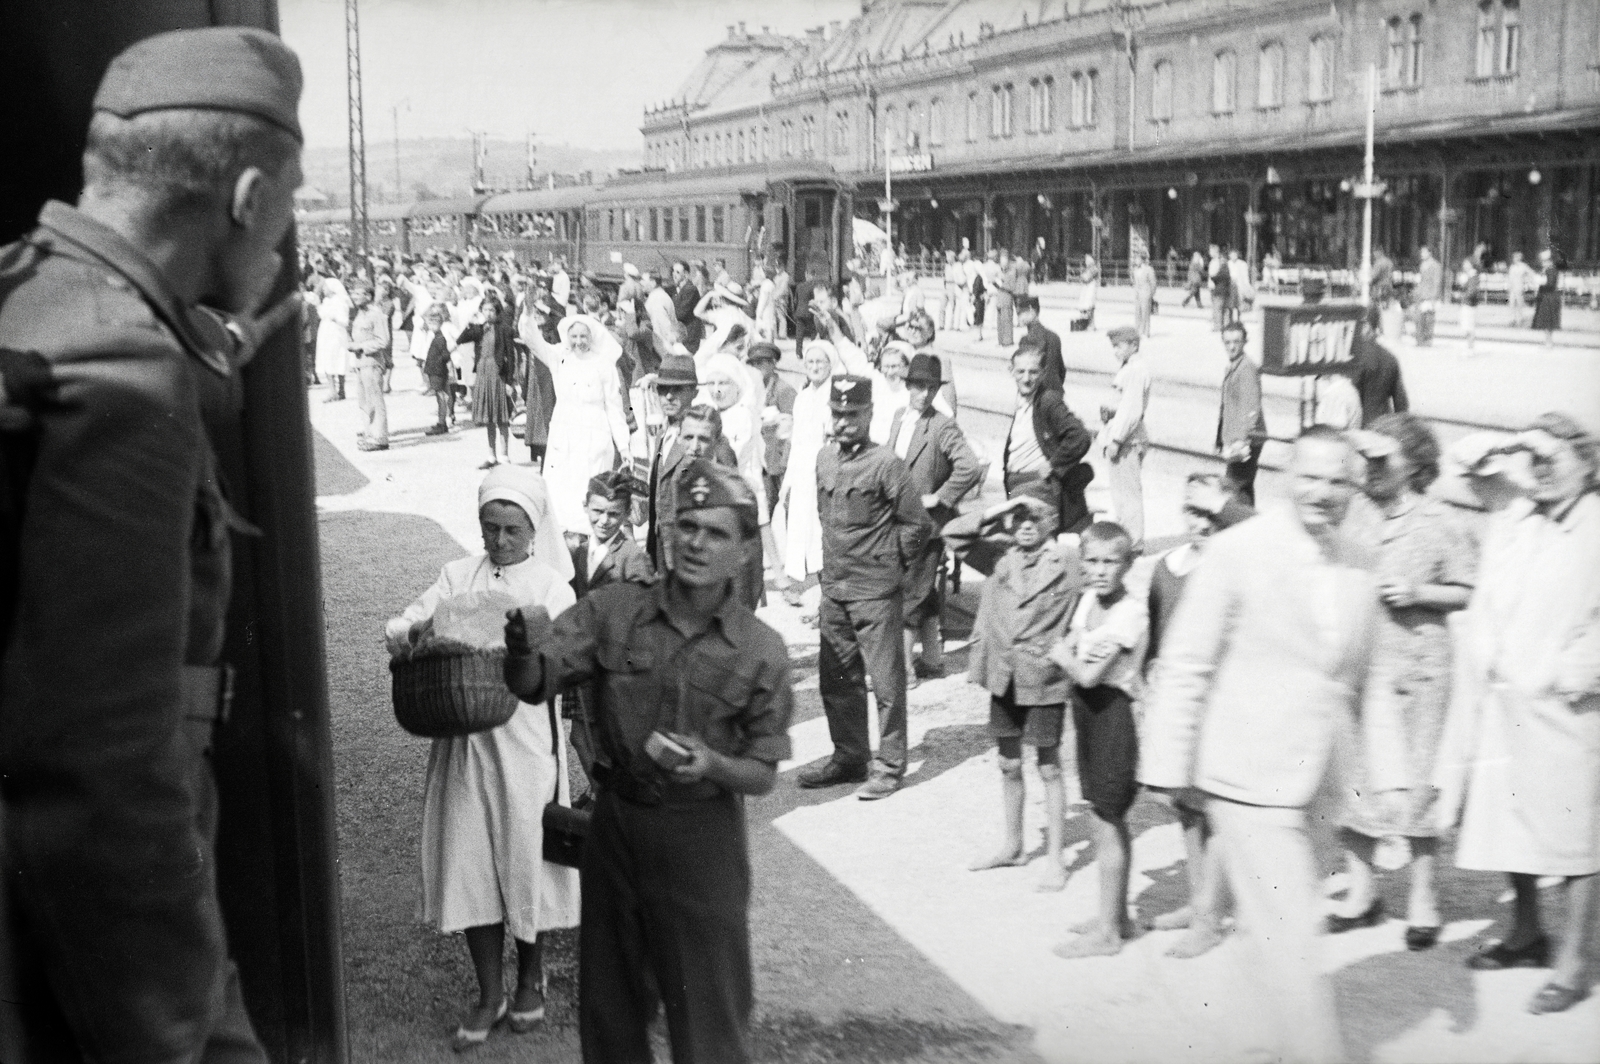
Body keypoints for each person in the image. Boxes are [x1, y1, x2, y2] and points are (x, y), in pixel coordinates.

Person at [0, 26, 305, 1061]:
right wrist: (186, 1028)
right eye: (290, 203)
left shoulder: (36, 288)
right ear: (251, 196)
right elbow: (101, 770)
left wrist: (213, 343)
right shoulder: (128, 377)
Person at [503, 460, 793, 1064]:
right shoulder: (613, 609)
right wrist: (519, 651)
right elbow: (536, 682)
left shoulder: (761, 648)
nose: (695, 542)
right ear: (668, 531)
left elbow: (763, 772)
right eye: (687, 525)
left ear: (744, 552)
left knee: (709, 1014)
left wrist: (712, 763)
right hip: (617, 828)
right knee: (609, 1011)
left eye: (716, 533)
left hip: (700, 838)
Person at [1140, 428, 1409, 1064]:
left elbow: (1374, 681)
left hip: (1321, 779)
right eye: (1311, 477)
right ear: (1288, 477)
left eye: (1339, 480)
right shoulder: (1238, 551)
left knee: (1271, 925)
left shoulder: (1362, 561)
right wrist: (1165, 765)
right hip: (1245, 775)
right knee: (1291, 930)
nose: (1323, 492)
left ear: (1354, 487)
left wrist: (1392, 779)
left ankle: (1247, 1044)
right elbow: (1185, 662)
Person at [383, 468, 580, 1050]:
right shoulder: (456, 575)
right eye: (489, 528)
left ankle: (531, 978)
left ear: (534, 528)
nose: (498, 541)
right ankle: (488, 989)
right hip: (463, 739)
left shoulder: (552, 587)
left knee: (526, 856)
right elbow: (407, 623)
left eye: (511, 530)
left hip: (522, 741)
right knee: (469, 859)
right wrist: (411, 630)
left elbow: (557, 662)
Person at [1451, 413, 1600, 1015]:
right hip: (1507, 702)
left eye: (1552, 460)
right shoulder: (1520, 517)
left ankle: (1573, 961)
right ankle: (1526, 934)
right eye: (1531, 461)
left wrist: (1574, 674)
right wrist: (1519, 445)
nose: (1538, 470)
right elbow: (1462, 462)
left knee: (1572, 840)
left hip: (1570, 706)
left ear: (1588, 465)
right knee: (1512, 828)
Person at [1328, 416, 1474, 951]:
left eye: (1381, 460)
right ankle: (1362, 895)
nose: (1370, 470)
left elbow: (1465, 590)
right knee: (1358, 779)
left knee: (1418, 781)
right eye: (1366, 461)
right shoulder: (1359, 519)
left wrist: (1417, 592)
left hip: (1420, 668)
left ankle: (1423, 900)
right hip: (1366, 663)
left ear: (1412, 464)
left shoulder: (1440, 521)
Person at [797, 376, 933, 801]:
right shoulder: (824, 459)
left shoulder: (886, 464)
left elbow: (915, 525)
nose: (843, 422)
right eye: (837, 414)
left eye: (852, 414)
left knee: (886, 682)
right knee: (837, 679)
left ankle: (890, 765)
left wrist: (888, 568)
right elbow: (825, 516)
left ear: (869, 413)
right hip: (834, 588)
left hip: (874, 591)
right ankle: (850, 756)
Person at [1141, 475, 1255, 959]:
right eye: (1193, 513)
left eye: (1212, 515)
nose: (1201, 524)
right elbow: (1156, 628)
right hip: (1178, 698)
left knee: (1219, 808)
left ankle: (1213, 916)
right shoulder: (1167, 567)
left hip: (1223, 701)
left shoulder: (1238, 567)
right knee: (1186, 807)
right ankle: (1198, 901)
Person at [966, 498, 1080, 892]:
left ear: (1052, 522)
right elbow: (954, 534)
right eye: (1019, 519)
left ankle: (1055, 859)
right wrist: (1009, 503)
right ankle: (1012, 846)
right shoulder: (1002, 558)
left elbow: (1103, 587)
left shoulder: (1067, 561)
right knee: (1008, 763)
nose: (1026, 525)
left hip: (1042, 676)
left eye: (1036, 517)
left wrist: (1071, 646)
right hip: (1005, 674)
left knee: (1048, 767)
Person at [1050, 521, 1148, 958]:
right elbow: (1073, 646)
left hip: (1112, 716)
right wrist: (1070, 654)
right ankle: (1118, 917)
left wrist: (1063, 656)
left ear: (1128, 564)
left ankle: (1107, 933)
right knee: (1100, 815)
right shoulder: (1088, 599)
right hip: (1086, 714)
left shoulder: (1130, 612)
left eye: (1112, 562)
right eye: (1092, 561)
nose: (1100, 571)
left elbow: (1087, 673)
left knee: (1108, 821)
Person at [942, 348, 1094, 577]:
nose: (1026, 378)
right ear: (1011, 371)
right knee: (1018, 553)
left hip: (1039, 489)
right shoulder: (1025, 400)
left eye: (1033, 372)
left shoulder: (1047, 400)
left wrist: (1054, 464)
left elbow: (1079, 436)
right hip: (1020, 488)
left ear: (1043, 373)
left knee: (1031, 552)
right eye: (1021, 371)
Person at [886, 354, 982, 684]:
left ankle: (904, 671)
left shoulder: (941, 425)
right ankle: (932, 658)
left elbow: (969, 466)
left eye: (930, 388)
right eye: (918, 386)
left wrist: (940, 497)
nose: (924, 394)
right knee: (922, 590)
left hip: (927, 526)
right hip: (898, 520)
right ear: (907, 385)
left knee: (910, 594)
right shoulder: (899, 418)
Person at [523, 314, 633, 532]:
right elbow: (532, 340)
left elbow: (614, 409)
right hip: (564, 432)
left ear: (592, 337)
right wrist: (527, 313)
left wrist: (624, 446)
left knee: (587, 489)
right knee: (561, 492)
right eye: (574, 336)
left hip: (594, 433)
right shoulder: (558, 358)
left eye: (583, 336)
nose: (579, 341)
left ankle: (589, 541)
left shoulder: (604, 365)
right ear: (567, 336)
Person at [778, 340, 839, 604]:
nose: (814, 367)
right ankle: (812, 589)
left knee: (821, 532)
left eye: (820, 362)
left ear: (830, 365)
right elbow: (796, 442)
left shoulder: (834, 396)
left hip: (823, 470)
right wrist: (788, 481)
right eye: (810, 362)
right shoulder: (802, 397)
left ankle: (827, 594)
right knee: (801, 529)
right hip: (802, 471)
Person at [643, 355, 701, 571]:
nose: (668, 396)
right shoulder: (662, 435)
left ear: (694, 392)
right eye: (662, 389)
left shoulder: (701, 436)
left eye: (678, 390)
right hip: (661, 543)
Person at [1099, 326, 1151, 553]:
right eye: (1114, 347)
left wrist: (1116, 440)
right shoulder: (1129, 368)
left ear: (1133, 345)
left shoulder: (1136, 371)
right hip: (1122, 438)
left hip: (1128, 441)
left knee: (1128, 495)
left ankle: (1134, 543)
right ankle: (1127, 540)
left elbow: (1130, 410)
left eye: (1119, 346)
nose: (1115, 351)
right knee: (1120, 494)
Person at [568, 471, 654, 600]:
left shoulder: (633, 557)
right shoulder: (579, 552)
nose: (604, 521)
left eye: (613, 514)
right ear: (585, 506)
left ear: (627, 513)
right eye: (597, 511)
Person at [459, 291, 518, 468]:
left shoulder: (504, 329)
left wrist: (509, 381)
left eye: (491, 310)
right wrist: (471, 324)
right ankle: (491, 455)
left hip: (497, 373)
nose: (488, 313)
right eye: (485, 310)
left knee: (501, 416)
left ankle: (504, 455)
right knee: (489, 417)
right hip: (483, 373)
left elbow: (510, 355)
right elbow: (461, 339)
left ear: (497, 311)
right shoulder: (479, 329)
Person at [1216, 321, 1267, 504]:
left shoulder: (1246, 369)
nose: (1232, 346)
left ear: (1245, 341)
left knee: (1235, 487)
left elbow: (1252, 407)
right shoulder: (1235, 366)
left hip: (1247, 440)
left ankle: (1243, 527)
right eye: (1228, 342)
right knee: (1242, 488)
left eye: (1236, 341)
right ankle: (1249, 526)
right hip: (1239, 438)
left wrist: (1242, 442)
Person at [749, 340, 796, 527]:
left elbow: (793, 428)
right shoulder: (752, 389)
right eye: (753, 364)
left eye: (762, 363)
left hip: (781, 461)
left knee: (789, 509)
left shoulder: (784, 391)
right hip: (762, 461)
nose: (757, 368)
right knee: (761, 512)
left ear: (773, 363)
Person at [347, 279, 390, 451]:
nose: (354, 296)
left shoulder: (376, 314)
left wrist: (360, 347)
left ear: (368, 295)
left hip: (372, 363)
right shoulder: (360, 313)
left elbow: (382, 341)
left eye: (358, 293)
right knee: (365, 402)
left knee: (375, 401)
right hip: (360, 363)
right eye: (353, 293)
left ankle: (380, 438)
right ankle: (370, 432)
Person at [1351, 312, 1409, 427]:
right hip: (1384, 426)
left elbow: (1351, 393)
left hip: (1361, 428)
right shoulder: (1390, 358)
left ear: (1366, 327)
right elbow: (1401, 403)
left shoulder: (1356, 358)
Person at [1015, 295, 1064, 394]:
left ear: (1031, 311)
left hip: (1037, 396)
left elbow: (1026, 375)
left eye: (1020, 313)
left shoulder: (1026, 340)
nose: (1018, 318)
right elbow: (1061, 371)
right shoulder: (1054, 337)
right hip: (1055, 394)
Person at [315, 275, 352, 401]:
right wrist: (317, 305)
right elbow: (321, 314)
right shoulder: (326, 301)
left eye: (325, 287)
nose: (323, 289)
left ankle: (341, 390)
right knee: (327, 360)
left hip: (336, 334)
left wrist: (333, 317)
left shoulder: (340, 301)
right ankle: (332, 390)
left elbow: (344, 321)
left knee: (338, 359)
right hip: (326, 333)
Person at [1531, 247, 1562, 346]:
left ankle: (1549, 341)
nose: (1542, 263)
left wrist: (1540, 282)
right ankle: (1548, 340)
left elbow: (1550, 284)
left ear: (1549, 261)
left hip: (1549, 296)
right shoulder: (1549, 270)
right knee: (1547, 320)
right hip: (1548, 296)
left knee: (1548, 320)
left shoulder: (1551, 270)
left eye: (1544, 261)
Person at [670, 259, 703, 351]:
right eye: (673, 271)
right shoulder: (678, 290)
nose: (674, 274)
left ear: (686, 274)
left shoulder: (690, 290)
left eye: (677, 272)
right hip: (682, 334)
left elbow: (680, 314)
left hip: (689, 336)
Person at [1415, 247, 1443, 346]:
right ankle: (1419, 339)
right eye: (1421, 252)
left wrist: (1434, 297)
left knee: (1429, 318)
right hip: (1421, 294)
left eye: (1424, 252)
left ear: (1430, 253)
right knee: (1419, 318)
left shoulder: (1435, 265)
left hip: (1429, 295)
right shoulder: (1422, 265)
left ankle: (1427, 340)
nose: (1422, 254)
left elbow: (1437, 282)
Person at [1458, 256, 1481, 353]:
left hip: (1469, 304)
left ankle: (1471, 346)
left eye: (1466, 263)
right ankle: (1469, 345)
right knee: (1466, 326)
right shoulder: (1466, 275)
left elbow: (1471, 291)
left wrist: (1462, 296)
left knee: (1469, 326)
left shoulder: (1473, 276)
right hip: (1466, 303)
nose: (1464, 265)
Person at [1506, 250, 1535, 327]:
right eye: (1514, 257)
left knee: (1520, 304)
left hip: (1519, 287)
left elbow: (1531, 273)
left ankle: (1520, 319)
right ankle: (1512, 320)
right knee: (1511, 304)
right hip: (1512, 288)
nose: (1515, 259)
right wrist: (1508, 286)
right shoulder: (1512, 267)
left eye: (1516, 257)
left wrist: (1528, 282)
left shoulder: (1523, 266)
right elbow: (1509, 278)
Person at [1132, 253, 1157, 338]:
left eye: (1137, 259)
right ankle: (1138, 330)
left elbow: (1153, 282)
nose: (1135, 261)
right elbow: (1135, 282)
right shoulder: (1135, 270)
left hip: (1146, 293)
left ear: (1142, 260)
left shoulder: (1148, 269)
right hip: (1137, 293)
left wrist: (1151, 294)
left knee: (1145, 313)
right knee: (1137, 312)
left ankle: (1146, 332)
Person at [941, 249, 964, 331]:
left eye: (948, 257)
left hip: (953, 285)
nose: (947, 258)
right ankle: (941, 324)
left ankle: (954, 324)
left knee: (953, 306)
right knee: (942, 306)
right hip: (946, 285)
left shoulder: (957, 266)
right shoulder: (947, 266)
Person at [1076, 253, 1099, 329]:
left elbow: (1086, 278)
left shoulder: (1094, 268)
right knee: (1085, 306)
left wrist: (1083, 276)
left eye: (1088, 260)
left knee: (1090, 306)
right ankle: (1085, 324)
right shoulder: (1087, 269)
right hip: (1086, 289)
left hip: (1090, 289)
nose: (1086, 261)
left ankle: (1091, 324)